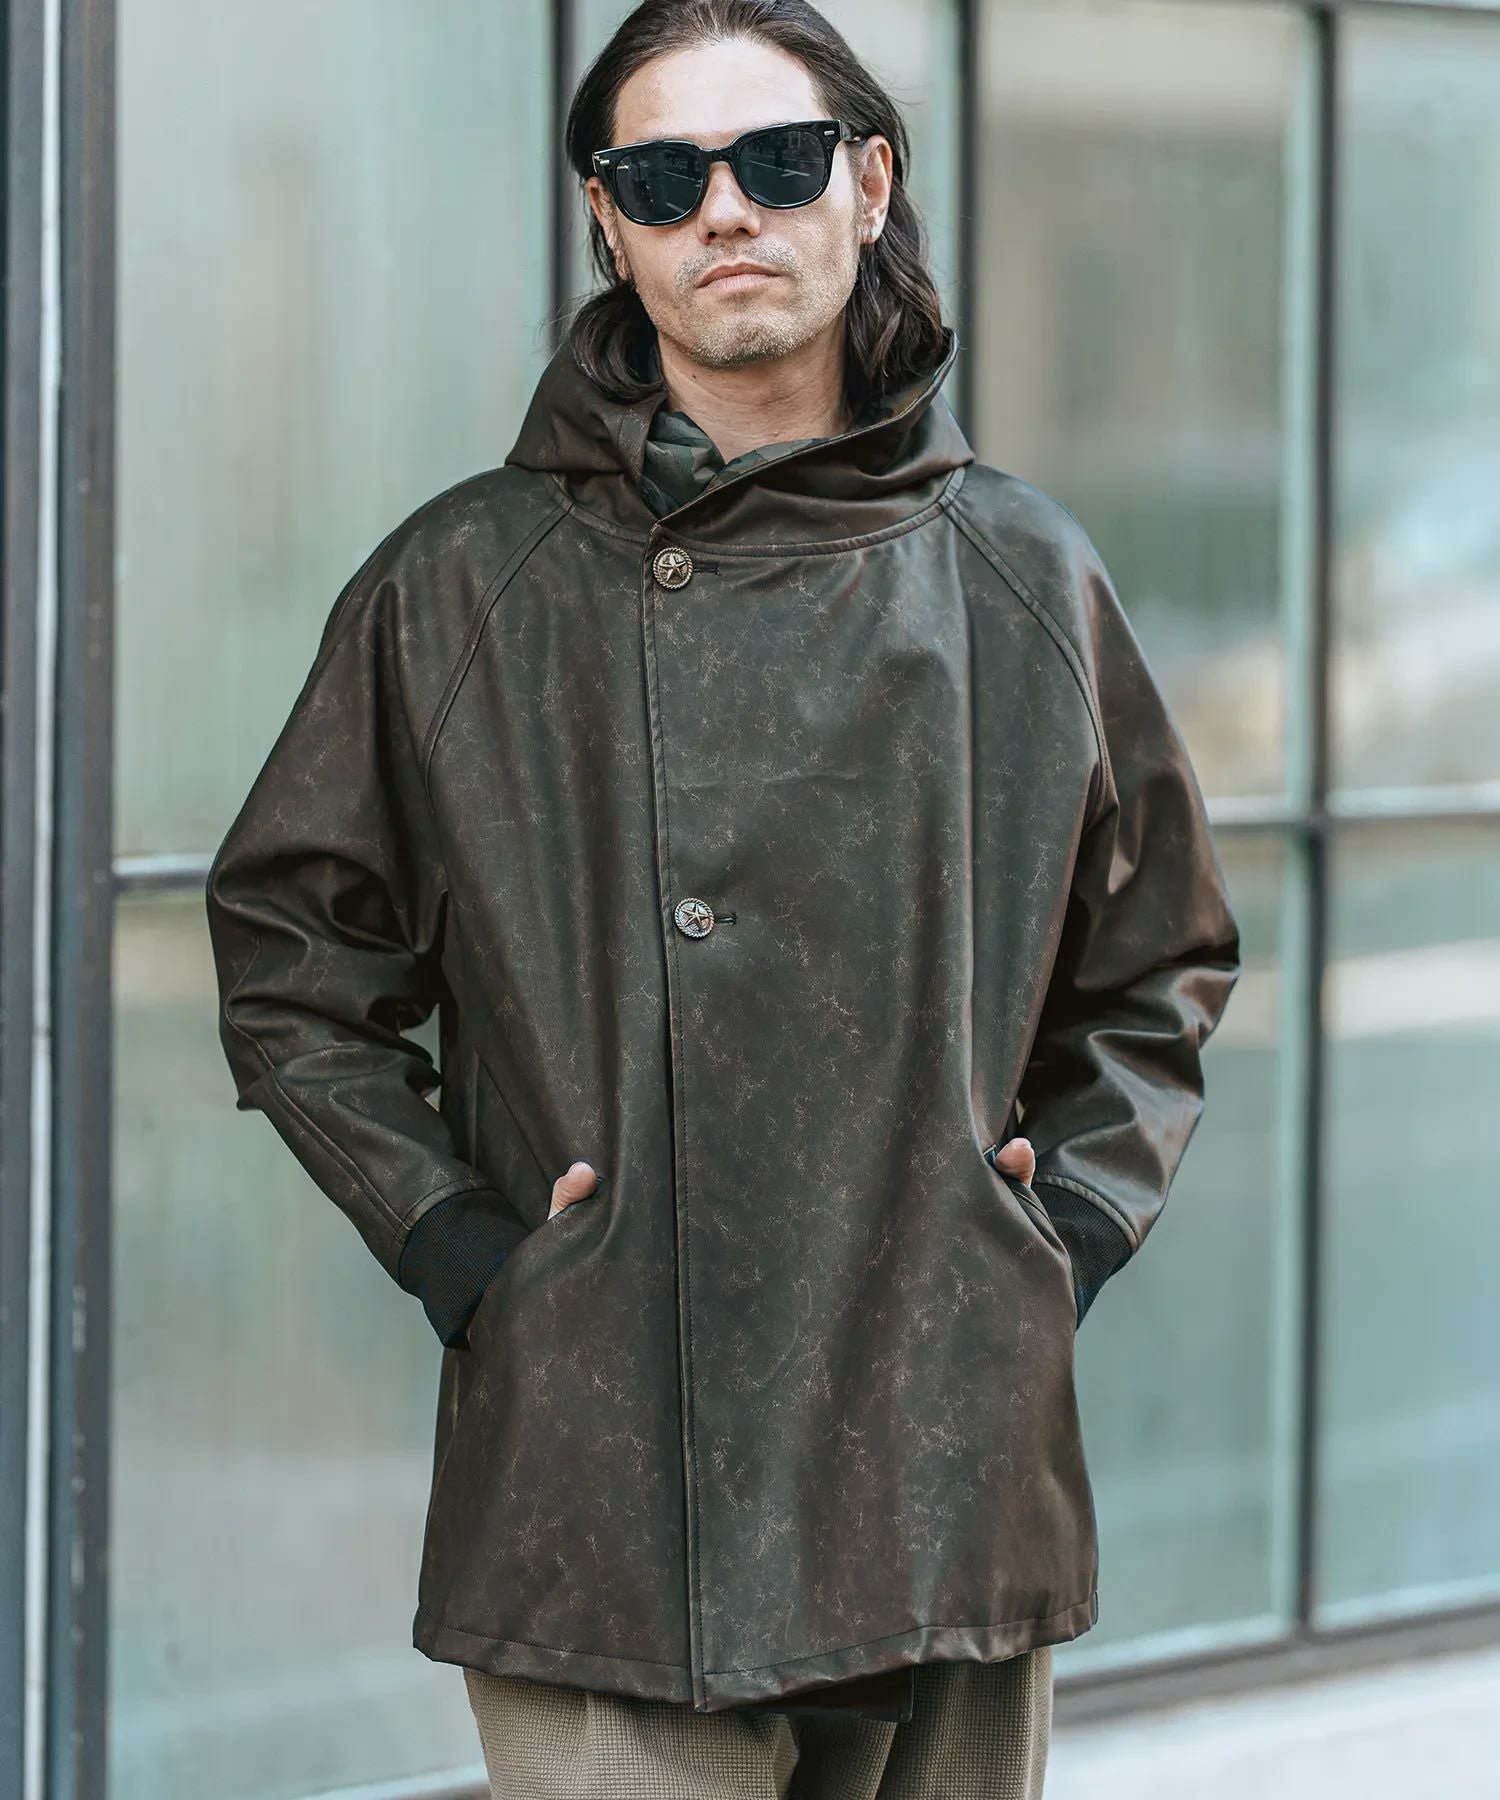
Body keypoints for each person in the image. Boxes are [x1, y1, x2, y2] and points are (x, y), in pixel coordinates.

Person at [204, 2, 1241, 1795]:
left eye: (776, 159)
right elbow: (293, 957)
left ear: (868, 186)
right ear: (608, 224)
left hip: (941, 1451)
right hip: (604, 1463)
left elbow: (1159, 962)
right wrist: (463, 1248)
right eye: (664, 177)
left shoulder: (1024, 573)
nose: (727, 212)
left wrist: (1054, 1232)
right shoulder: (462, 583)